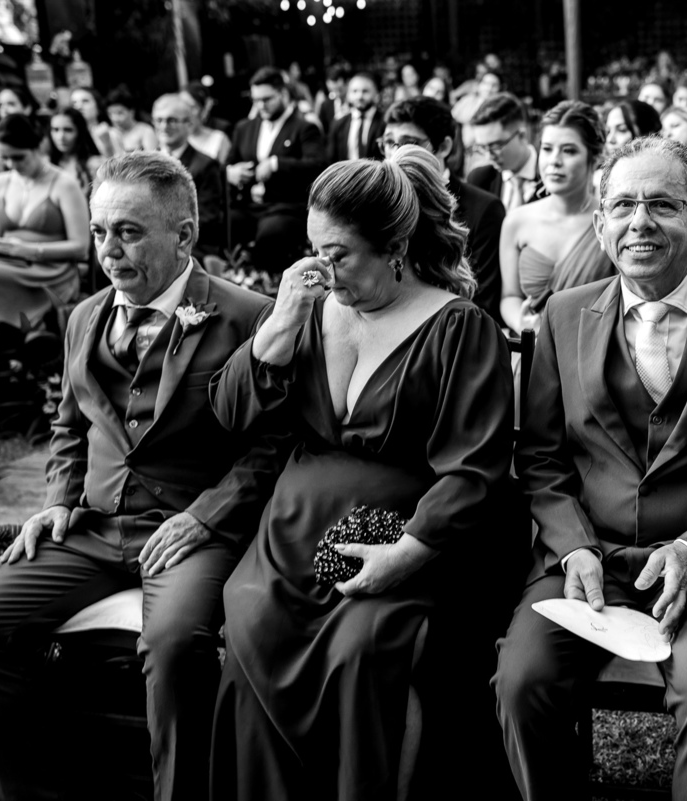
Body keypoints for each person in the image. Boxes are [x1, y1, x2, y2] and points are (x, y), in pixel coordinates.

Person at [494, 135, 687, 801]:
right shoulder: (562, 316)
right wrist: (573, 547)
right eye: (622, 205)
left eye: (660, 205)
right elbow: (542, 459)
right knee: (520, 683)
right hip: (585, 558)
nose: (639, 221)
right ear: (601, 222)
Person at [208, 151, 513, 800]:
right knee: (249, 625)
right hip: (286, 545)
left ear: (395, 246)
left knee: (363, 653)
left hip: (406, 548)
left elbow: (474, 469)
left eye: (339, 253)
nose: (322, 268)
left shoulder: (458, 328)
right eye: (314, 249)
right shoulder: (309, 308)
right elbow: (230, 412)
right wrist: (281, 324)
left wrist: (404, 556)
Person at [0, 151, 279, 801]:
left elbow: (273, 446)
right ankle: (33, 787)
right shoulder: (84, 315)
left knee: (176, 645)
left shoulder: (247, 316)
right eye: (98, 232)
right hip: (93, 529)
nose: (108, 250)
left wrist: (205, 516)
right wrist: (60, 497)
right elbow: (69, 424)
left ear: (183, 235)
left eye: (127, 231)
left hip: (188, 531)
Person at [385, 95, 506, 321]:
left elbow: (483, 302)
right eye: (389, 143)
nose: (395, 154)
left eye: (408, 143)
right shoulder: (378, 208)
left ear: (444, 146)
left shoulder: (484, 208)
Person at [499, 100, 615, 334]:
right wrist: (522, 324)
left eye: (569, 151)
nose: (554, 161)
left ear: (593, 157)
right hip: (533, 353)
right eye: (547, 148)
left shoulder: (611, 222)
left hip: (592, 352)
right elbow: (509, 296)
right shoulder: (516, 221)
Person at [0, 114, 90, 329]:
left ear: (38, 147)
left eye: (19, 157)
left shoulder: (64, 184)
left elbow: (81, 247)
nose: (12, 164)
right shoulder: (0, 183)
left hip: (52, 270)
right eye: (5, 158)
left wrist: (29, 250)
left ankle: (22, 328)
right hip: (9, 263)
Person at [226, 66, 325, 274]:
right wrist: (231, 172)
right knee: (224, 222)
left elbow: (317, 166)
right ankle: (233, 279)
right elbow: (229, 163)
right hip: (249, 205)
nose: (260, 105)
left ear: (283, 94)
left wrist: (276, 164)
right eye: (255, 100)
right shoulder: (244, 128)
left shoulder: (304, 128)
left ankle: (267, 285)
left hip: (286, 206)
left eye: (266, 99)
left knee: (271, 232)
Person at [154, 93, 225, 264]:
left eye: (171, 120)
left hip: (190, 244)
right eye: (159, 120)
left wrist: (163, 232)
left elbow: (207, 217)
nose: (164, 126)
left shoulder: (206, 165)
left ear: (189, 123)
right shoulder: (144, 161)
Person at [466, 93, 540, 210]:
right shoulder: (479, 180)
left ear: (522, 136)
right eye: (482, 147)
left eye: (495, 146)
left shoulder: (550, 177)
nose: (488, 156)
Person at [327, 71, 383, 163]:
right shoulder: (338, 124)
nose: (359, 96)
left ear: (375, 93)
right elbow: (331, 159)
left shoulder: (384, 122)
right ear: (348, 95)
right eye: (354, 91)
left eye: (365, 91)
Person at [48, 107, 104, 194]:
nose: (61, 136)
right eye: (55, 130)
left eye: (68, 130)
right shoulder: (46, 163)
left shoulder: (94, 165)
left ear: (80, 132)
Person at [182, 82, 233, 165]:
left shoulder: (219, 138)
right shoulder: (172, 139)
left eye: (191, 107)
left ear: (203, 109)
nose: (186, 112)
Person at [70, 86, 121, 157]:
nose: (79, 106)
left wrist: (107, 145)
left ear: (98, 106)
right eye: (74, 103)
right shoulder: (69, 135)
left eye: (85, 101)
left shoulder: (111, 134)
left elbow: (120, 166)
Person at [106, 87, 159, 153]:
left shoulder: (145, 130)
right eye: (111, 114)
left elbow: (152, 158)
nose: (115, 118)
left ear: (131, 112)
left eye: (120, 113)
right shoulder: (110, 133)